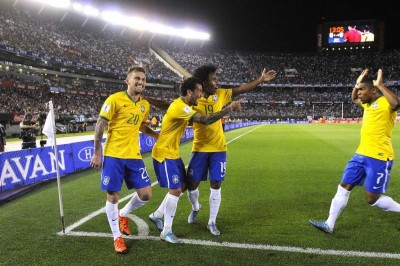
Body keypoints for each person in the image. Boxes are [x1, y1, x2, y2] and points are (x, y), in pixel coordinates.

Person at [147, 77, 243, 244]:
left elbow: (166, 105)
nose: (200, 94)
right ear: (189, 92)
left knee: (182, 186)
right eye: (198, 91)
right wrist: (229, 109)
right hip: (164, 153)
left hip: (173, 153)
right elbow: (205, 120)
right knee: (177, 190)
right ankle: (166, 231)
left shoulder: (183, 104)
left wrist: (147, 99)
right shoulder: (180, 106)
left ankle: (157, 216)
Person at [309, 69, 400, 234]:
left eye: (361, 90)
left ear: (373, 91)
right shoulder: (367, 104)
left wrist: (380, 84)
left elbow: (397, 103)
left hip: (379, 157)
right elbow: (353, 99)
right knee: (343, 187)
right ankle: (329, 224)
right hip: (360, 155)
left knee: (372, 199)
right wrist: (357, 83)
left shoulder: (386, 102)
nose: (358, 93)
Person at [90, 65, 159, 254]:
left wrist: (158, 137)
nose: (141, 82)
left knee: (146, 194)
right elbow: (99, 126)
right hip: (114, 155)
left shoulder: (144, 105)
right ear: (127, 80)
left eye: (143, 79)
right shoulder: (114, 100)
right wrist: (97, 153)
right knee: (113, 196)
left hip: (134, 156)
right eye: (137, 78)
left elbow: (141, 127)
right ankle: (117, 238)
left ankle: (123, 214)